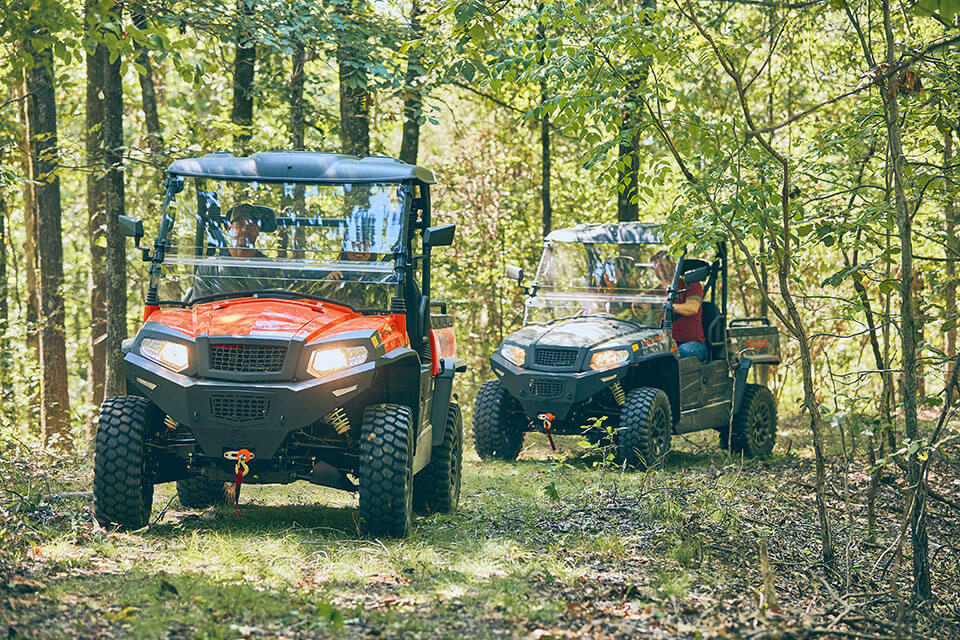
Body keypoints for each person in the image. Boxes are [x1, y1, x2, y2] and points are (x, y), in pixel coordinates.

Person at [652, 251, 708, 362]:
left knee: (679, 353)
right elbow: (644, 306)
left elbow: (692, 308)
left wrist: (671, 306)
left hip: (692, 343)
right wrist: (637, 302)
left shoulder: (691, 285)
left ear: (674, 266)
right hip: (663, 342)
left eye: (664, 265)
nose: (661, 270)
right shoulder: (656, 291)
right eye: (658, 266)